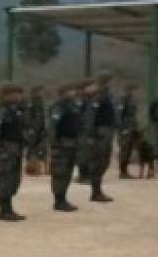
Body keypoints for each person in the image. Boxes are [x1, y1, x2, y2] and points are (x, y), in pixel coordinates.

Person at [0, 83, 27, 221]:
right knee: (5, 179)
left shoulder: (14, 110)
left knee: (13, 179)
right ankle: (4, 210)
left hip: (15, 149)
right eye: (14, 93)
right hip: (5, 149)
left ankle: (9, 208)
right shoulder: (0, 111)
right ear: (5, 95)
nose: (18, 96)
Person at [48, 82, 80, 212]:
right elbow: (52, 127)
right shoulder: (58, 107)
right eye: (70, 90)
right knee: (60, 173)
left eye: (73, 90)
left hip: (72, 143)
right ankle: (59, 201)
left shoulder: (73, 106)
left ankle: (63, 198)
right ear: (63, 92)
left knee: (67, 172)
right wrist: (55, 144)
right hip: (61, 144)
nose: (73, 92)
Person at [86, 72, 116, 202]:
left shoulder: (106, 94)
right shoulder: (97, 96)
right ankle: (96, 192)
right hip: (100, 132)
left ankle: (97, 190)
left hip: (107, 130)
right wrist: (91, 134)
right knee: (98, 161)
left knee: (105, 161)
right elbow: (91, 116)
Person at [117, 83, 140, 179]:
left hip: (132, 126)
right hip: (125, 127)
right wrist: (122, 128)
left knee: (129, 149)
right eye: (133, 90)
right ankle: (122, 171)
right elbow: (119, 114)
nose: (135, 92)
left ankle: (125, 170)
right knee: (125, 149)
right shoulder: (123, 99)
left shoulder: (131, 99)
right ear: (128, 90)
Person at [23, 85, 48, 171]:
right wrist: (30, 128)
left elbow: (44, 117)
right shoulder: (30, 103)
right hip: (33, 130)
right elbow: (27, 117)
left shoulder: (42, 103)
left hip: (42, 129)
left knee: (43, 148)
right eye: (39, 91)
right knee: (32, 149)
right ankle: (33, 167)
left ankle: (45, 167)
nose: (41, 93)